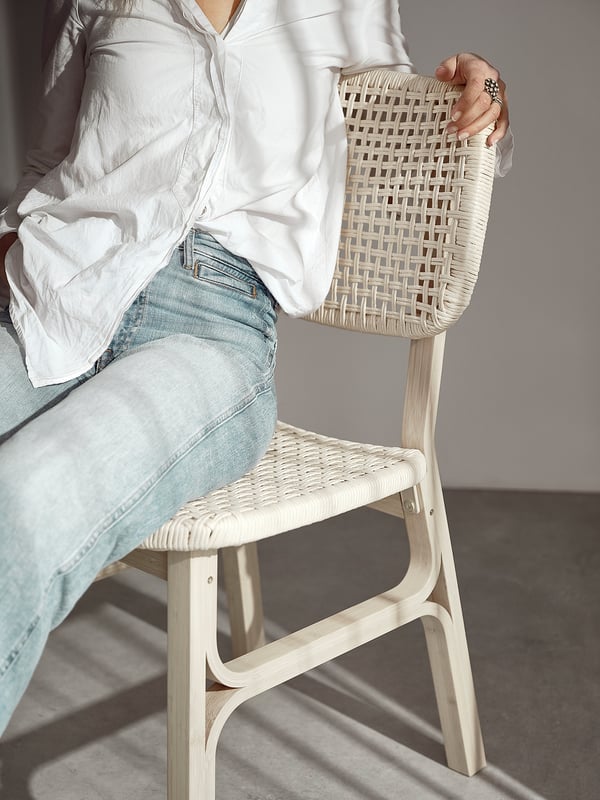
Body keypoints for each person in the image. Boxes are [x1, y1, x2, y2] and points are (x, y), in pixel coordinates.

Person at [0, 0, 512, 733]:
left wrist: (483, 93)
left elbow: (414, 132)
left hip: (210, 331)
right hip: (55, 296)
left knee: (18, 503)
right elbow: (49, 162)